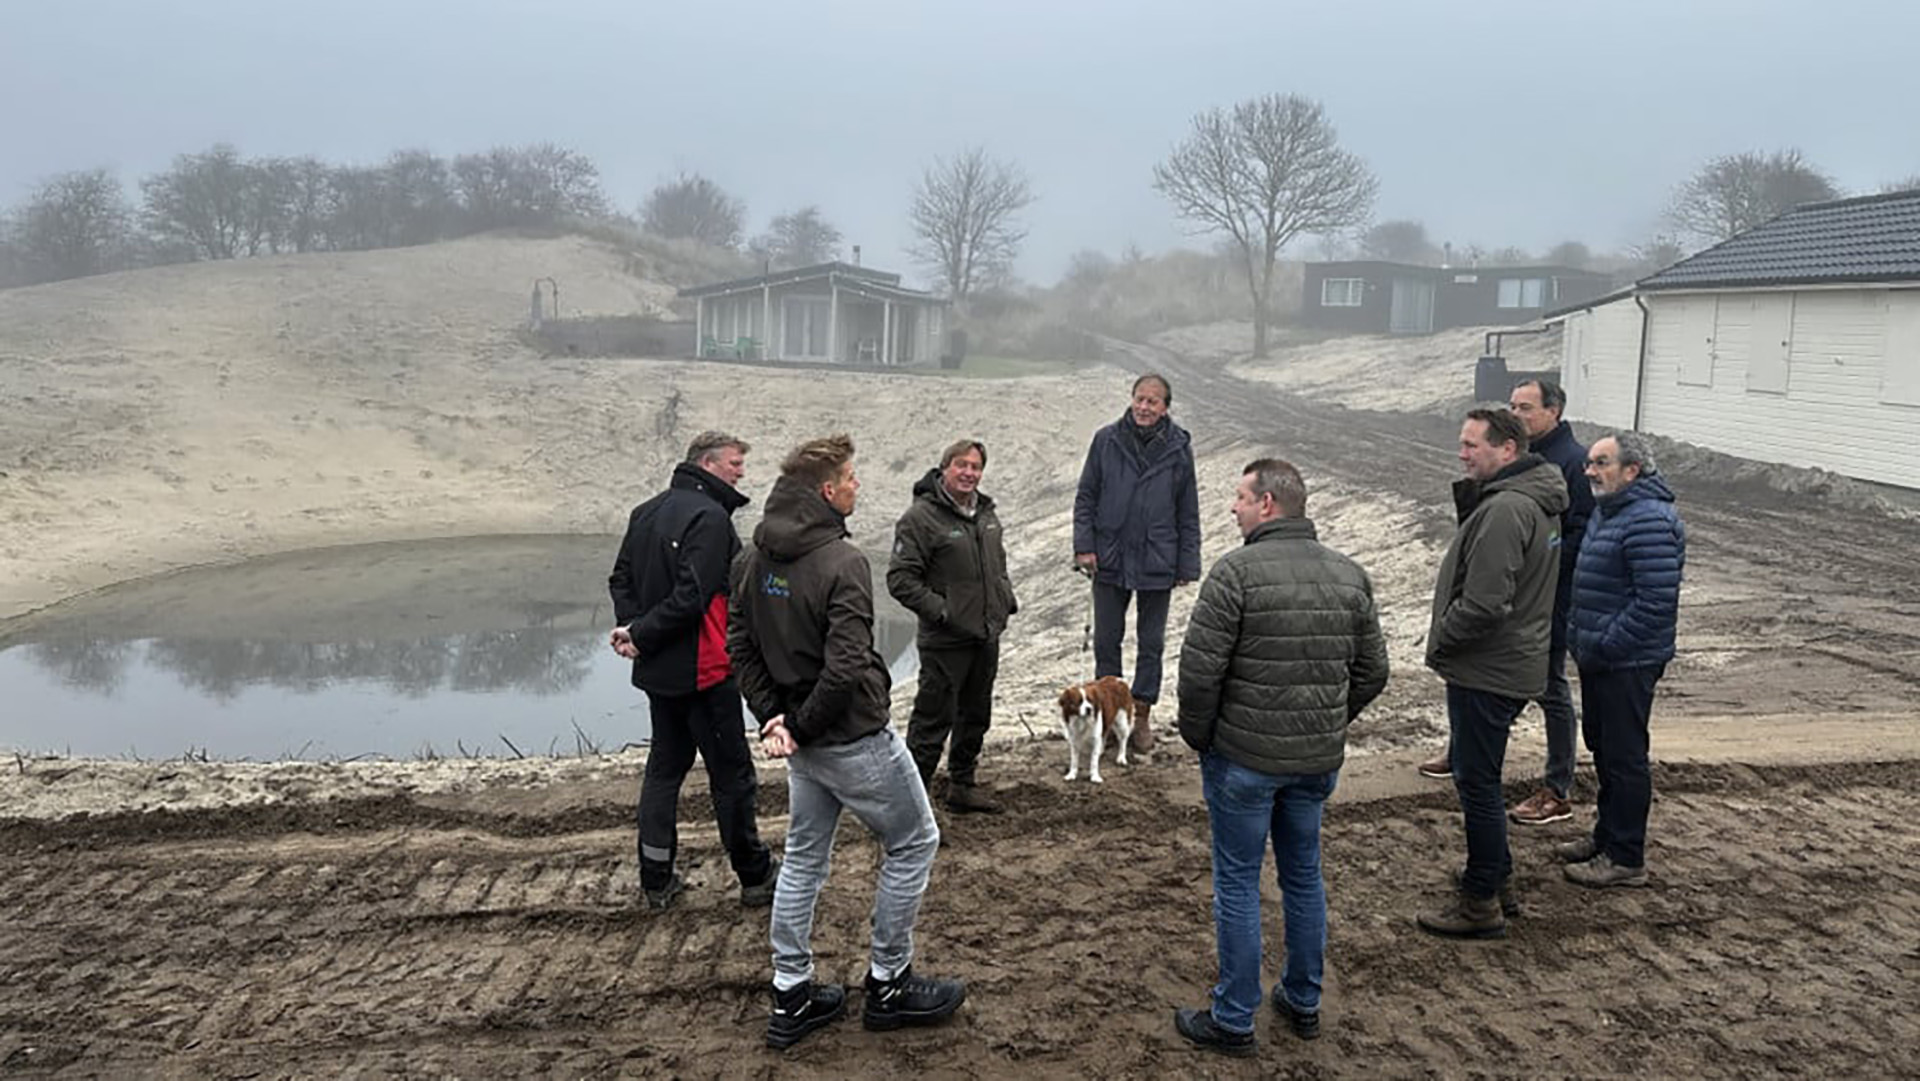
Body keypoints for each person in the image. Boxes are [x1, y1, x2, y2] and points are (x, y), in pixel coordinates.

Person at [730, 434, 966, 1050]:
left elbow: (741, 645)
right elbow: (846, 668)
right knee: (915, 841)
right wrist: (793, 725)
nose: (859, 485)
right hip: (852, 738)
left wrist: (776, 719)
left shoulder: (753, 557)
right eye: (852, 478)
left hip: (804, 743)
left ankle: (791, 993)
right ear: (827, 490)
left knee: (804, 859)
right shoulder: (844, 562)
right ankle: (889, 985)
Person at [1172, 459, 1390, 1057]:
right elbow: (1373, 671)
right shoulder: (1349, 575)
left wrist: (1202, 738)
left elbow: (1199, 675)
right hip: (1314, 762)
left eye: (1240, 498)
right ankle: (1302, 999)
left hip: (1242, 761)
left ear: (1267, 504)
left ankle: (1233, 1018)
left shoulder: (1235, 573)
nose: (1232, 507)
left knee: (1238, 882)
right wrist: (1326, 724)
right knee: (1303, 874)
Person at [607, 431, 775, 911]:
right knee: (732, 775)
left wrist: (635, 630)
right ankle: (756, 876)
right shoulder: (710, 517)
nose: (741, 472)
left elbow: (620, 580)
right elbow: (692, 597)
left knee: (665, 769)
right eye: (735, 463)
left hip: (660, 671)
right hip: (705, 671)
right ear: (707, 463)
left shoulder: (646, 512)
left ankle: (655, 878)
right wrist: (640, 633)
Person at [1416, 408, 1567, 940]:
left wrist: (1443, 637)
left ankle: (1480, 901)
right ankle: (1498, 880)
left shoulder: (1507, 509)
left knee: (1477, 785)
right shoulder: (1532, 501)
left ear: (1507, 449)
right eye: (1461, 443)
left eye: (1471, 445)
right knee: (1480, 778)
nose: (1461, 453)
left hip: (1489, 667)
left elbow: (1484, 603)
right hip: (1508, 660)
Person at [1418, 379, 1594, 829]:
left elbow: (1576, 535)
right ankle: (1461, 750)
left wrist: (1534, 570)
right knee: (1477, 704)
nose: (1518, 413)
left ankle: (1557, 784)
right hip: (1516, 599)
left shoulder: (1569, 463)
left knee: (1549, 688)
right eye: (1513, 405)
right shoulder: (1517, 470)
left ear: (1554, 411)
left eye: (1527, 407)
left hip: (1542, 600)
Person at [1560, 433, 1685, 888]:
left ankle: (1626, 855)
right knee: (1606, 750)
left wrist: (1607, 644)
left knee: (1625, 757)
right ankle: (1606, 836)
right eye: (1590, 462)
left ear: (1632, 471)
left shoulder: (1649, 519)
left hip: (1627, 661)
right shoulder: (1611, 510)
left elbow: (1655, 603)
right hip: (1601, 656)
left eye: (1601, 463)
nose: (1589, 471)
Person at [887, 438, 1019, 815]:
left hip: (985, 633)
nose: (968, 473)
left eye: (975, 467)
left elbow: (997, 565)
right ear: (944, 468)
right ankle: (914, 807)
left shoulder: (987, 514)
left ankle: (962, 785)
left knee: (976, 715)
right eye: (961, 465)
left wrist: (1005, 599)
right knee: (932, 722)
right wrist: (944, 612)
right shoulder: (920, 518)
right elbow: (900, 579)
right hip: (945, 641)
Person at [1073, 372, 1201, 754]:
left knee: (1152, 643)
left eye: (1152, 401)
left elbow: (1187, 509)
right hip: (1109, 556)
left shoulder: (1178, 448)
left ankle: (1141, 715)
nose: (1143, 407)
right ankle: (1109, 715)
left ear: (1165, 408)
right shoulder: (1106, 440)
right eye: (1139, 399)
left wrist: (1187, 563)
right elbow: (1086, 497)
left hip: (1157, 557)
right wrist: (1084, 546)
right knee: (1106, 641)